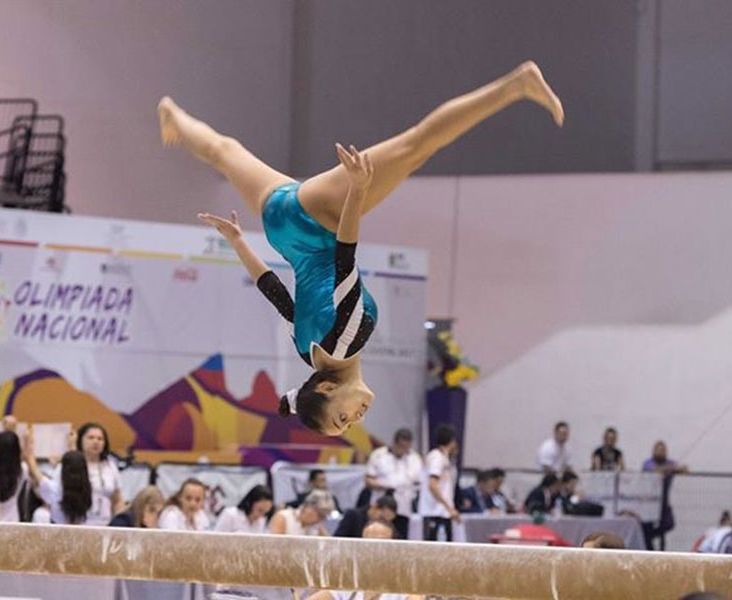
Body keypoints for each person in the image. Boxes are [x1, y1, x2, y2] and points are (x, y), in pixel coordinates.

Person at [160, 61, 563, 436]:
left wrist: (357, 191)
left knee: (416, 146)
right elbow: (280, 298)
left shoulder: (347, 339)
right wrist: (239, 243)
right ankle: (175, 116)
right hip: (282, 229)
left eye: (342, 417)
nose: (355, 420)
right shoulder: (311, 356)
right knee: (224, 153)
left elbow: (345, 257)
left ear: (328, 388)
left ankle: (515, 86)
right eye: (348, 427)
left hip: (317, 220)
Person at [23, 433, 92, 525]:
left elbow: (30, 461)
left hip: (57, 533)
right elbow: (75, 464)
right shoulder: (88, 488)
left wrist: (28, 440)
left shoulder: (52, 489)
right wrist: (72, 444)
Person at [74, 422, 124, 525]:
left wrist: (118, 522)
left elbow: (118, 499)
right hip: (78, 524)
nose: (95, 442)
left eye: (100, 439)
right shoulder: (73, 464)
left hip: (106, 524)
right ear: (80, 440)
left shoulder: (110, 465)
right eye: (91, 438)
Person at [641, 440, 688, 550]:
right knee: (648, 527)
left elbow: (684, 469)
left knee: (668, 523)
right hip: (649, 502)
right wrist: (670, 470)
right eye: (658, 450)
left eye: (663, 450)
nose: (660, 452)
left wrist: (672, 469)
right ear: (653, 451)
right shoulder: (648, 463)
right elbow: (652, 470)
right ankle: (649, 546)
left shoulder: (669, 463)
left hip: (663, 501)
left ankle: (653, 540)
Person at [419, 424, 460, 541]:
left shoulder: (445, 459)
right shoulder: (436, 457)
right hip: (433, 511)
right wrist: (449, 507)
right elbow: (432, 485)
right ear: (452, 441)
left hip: (443, 512)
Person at [269, 489, 334, 536]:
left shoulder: (316, 527)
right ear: (308, 507)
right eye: (320, 515)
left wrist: (322, 532)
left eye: (323, 517)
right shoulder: (283, 517)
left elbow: (329, 548)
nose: (320, 520)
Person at [333, 495, 398, 538]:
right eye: (382, 518)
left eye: (387, 522)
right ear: (374, 506)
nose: (382, 523)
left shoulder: (389, 527)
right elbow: (338, 537)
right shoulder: (353, 515)